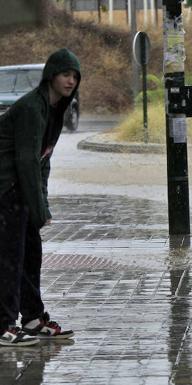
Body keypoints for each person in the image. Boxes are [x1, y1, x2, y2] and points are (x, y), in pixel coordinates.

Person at [0, 48, 80, 346]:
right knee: (10, 258)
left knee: (30, 255)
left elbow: (43, 162)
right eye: (64, 74)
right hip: (5, 188)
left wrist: (40, 204)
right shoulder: (33, 108)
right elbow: (26, 162)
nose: (70, 81)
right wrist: (39, 208)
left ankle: (32, 319)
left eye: (74, 76)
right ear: (51, 76)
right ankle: (4, 325)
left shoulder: (55, 110)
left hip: (20, 189)